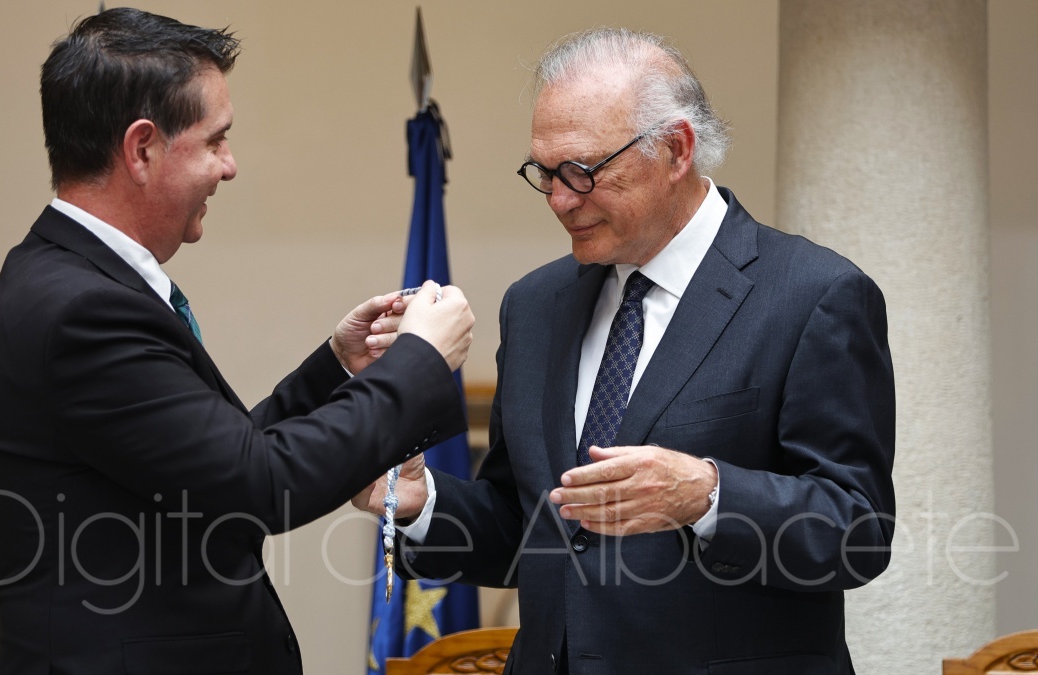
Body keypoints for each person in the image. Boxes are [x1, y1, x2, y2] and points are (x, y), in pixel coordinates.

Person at [354, 28, 894, 674]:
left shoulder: (813, 294)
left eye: (582, 171)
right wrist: (422, 502)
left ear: (676, 149)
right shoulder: (534, 305)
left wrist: (708, 494)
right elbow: (530, 525)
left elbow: (858, 531)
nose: (560, 200)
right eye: (545, 173)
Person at [0, 8, 474, 674]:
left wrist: (335, 366)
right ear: (142, 149)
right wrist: (420, 362)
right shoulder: (84, 308)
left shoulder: (71, 277)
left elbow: (211, 465)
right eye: (216, 141)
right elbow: (257, 486)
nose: (229, 167)